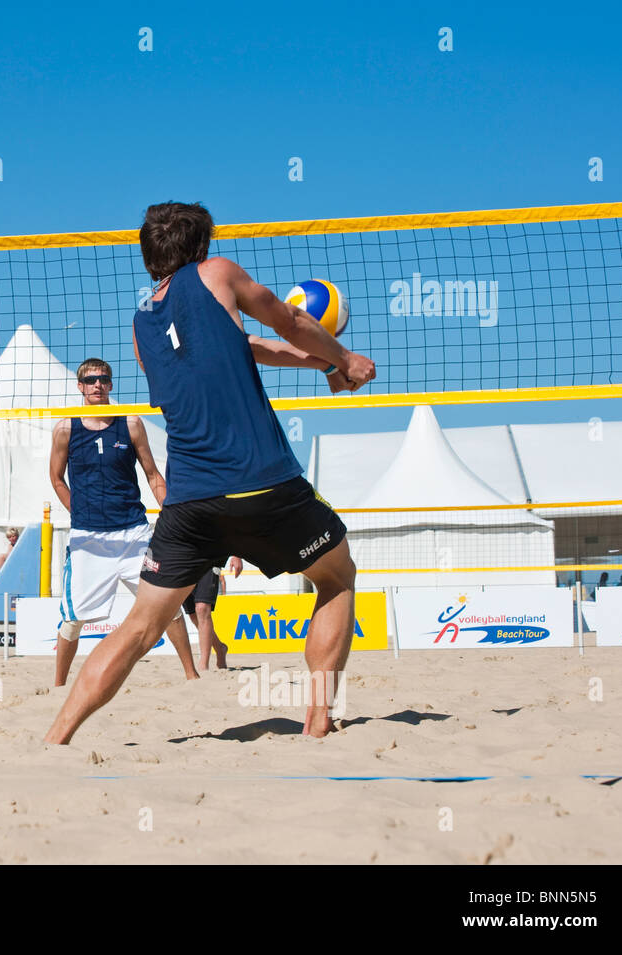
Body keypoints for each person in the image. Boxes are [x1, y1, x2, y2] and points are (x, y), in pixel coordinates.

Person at [45, 201, 376, 744]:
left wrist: (324, 365)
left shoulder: (141, 325)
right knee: (337, 579)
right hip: (264, 480)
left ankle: (56, 739)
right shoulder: (218, 273)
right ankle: (317, 718)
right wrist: (343, 356)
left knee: (137, 627)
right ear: (201, 243)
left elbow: (244, 347)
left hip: (190, 501)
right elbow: (289, 321)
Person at [49, 358, 198, 686]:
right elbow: (56, 478)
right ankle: (58, 686)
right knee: (73, 621)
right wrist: (78, 510)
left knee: (166, 605)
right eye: (90, 380)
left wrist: (174, 513)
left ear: (111, 385)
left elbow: (152, 473)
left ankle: (192, 675)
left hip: (133, 532)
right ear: (80, 387)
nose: (97, 385)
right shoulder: (65, 428)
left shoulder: (130, 422)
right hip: (89, 537)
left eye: (103, 379)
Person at [183, 559, 242, 671]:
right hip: (182, 560)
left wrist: (237, 555)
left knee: (202, 608)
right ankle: (220, 648)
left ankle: (203, 665)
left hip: (209, 559)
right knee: (193, 615)